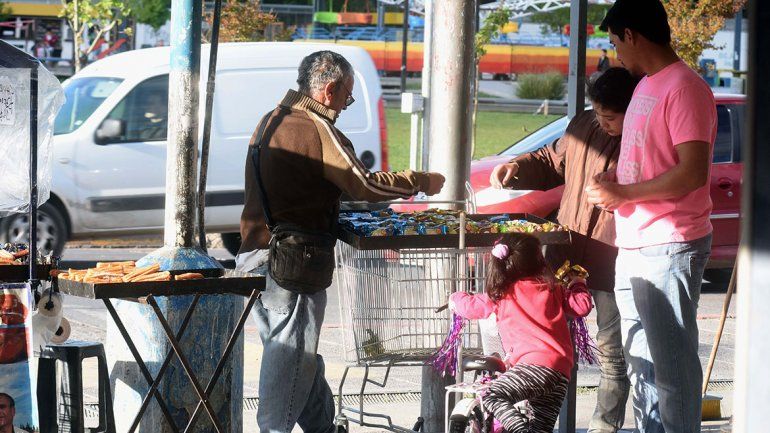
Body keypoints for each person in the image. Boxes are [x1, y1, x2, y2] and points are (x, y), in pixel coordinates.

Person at [236, 50, 445, 433]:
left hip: (256, 255)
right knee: (290, 359)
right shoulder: (314, 126)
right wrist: (419, 180)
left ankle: (324, 428)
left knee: (301, 359)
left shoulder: (272, 119)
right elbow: (362, 182)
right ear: (329, 89)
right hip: (292, 263)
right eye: (347, 96)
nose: (346, 105)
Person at [586, 1, 718, 432]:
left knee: (672, 370)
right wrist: (616, 178)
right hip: (634, 242)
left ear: (631, 35)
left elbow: (692, 173)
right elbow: (651, 161)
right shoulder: (645, 86)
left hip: (670, 242)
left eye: (614, 41)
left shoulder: (684, 87)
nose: (615, 52)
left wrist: (623, 190)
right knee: (641, 364)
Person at [489, 67, 639, 433]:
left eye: (610, 117)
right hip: (564, 255)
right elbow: (549, 160)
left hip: (612, 259)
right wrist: (516, 167)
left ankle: (604, 426)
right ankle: (543, 424)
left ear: (632, 109)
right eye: (598, 113)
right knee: (549, 354)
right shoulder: (583, 124)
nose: (603, 123)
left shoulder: (642, 135)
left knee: (612, 355)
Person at [448, 234, 593, 432]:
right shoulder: (553, 290)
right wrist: (577, 283)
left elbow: (471, 306)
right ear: (540, 262)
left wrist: (455, 298)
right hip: (559, 372)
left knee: (492, 396)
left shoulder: (502, 293)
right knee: (540, 427)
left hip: (532, 368)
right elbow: (582, 306)